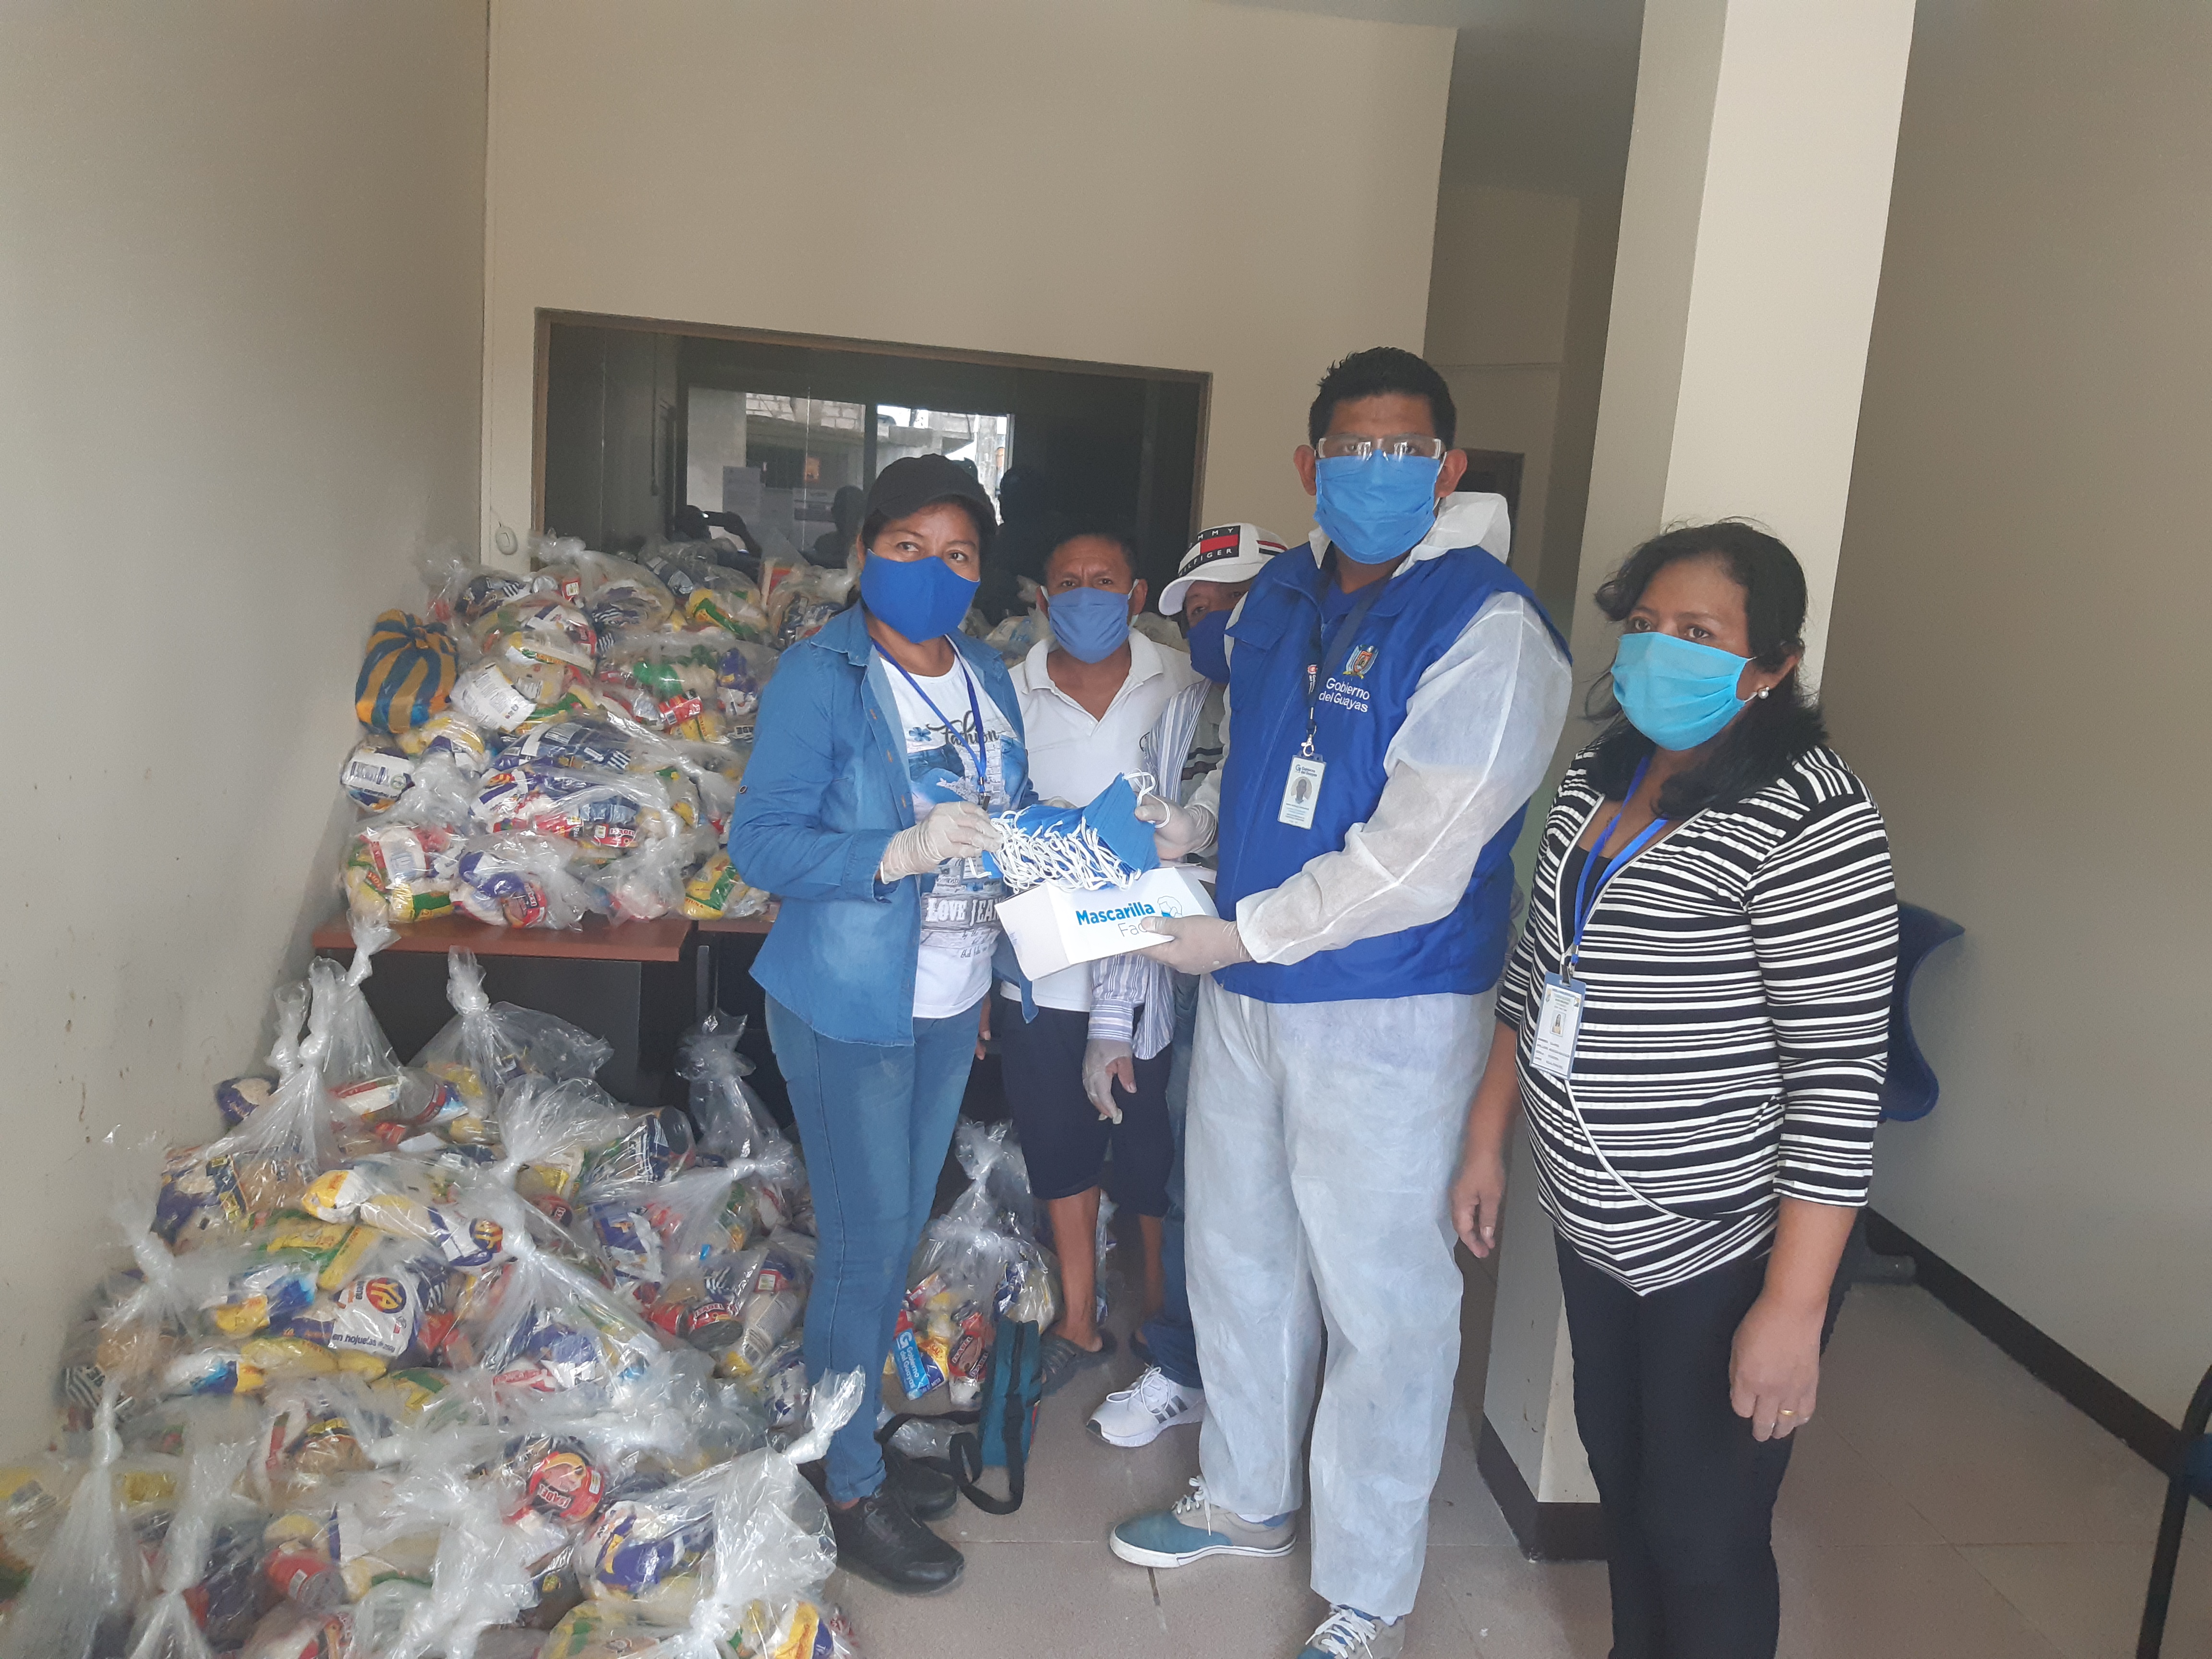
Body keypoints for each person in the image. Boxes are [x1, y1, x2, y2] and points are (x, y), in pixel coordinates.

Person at [1108, 347, 1573, 1659]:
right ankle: (1248, 1496)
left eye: (1403, 449)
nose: (1376, 472)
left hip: (1388, 1008)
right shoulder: (1284, 591)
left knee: (1382, 1298)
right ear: (1311, 466)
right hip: (1248, 987)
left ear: (1448, 466)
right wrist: (1188, 825)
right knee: (1238, 1254)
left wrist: (1243, 929)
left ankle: (1369, 1589)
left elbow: (1419, 857)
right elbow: (1261, 752)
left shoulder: (1489, 626)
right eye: (1351, 450)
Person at [1451, 523, 1899, 1659]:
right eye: (1646, 625)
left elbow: (1839, 1081)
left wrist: (1791, 1310)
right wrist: (1487, 1137)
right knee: (1628, 1486)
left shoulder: (1813, 814)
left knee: (1706, 1533)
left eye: (1699, 632)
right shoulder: (1602, 774)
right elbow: (1536, 969)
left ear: (1774, 664)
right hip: (1597, 1223)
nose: (1660, 652)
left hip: (1727, 1240)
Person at [726, 453, 1034, 1596]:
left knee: (891, 1238)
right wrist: (894, 851)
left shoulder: (986, 672)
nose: (931, 570)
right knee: (866, 1248)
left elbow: (1008, 817)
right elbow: (760, 843)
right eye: (907, 547)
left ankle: (845, 1430)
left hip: (949, 995)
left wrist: (1101, 832)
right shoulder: (823, 674)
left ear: (980, 573)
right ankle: (845, 1483)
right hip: (851, 1000)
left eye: (957, 554)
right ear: (863, 554)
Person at [1087, 521, 1285, 1450]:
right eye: (1198, 611)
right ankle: (1187, 1366)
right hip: (1199, 976)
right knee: (1195, 1179)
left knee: (1292, 1200)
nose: (1213, 625)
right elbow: (1153, 860)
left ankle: (1267, 1391)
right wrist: (1111, 1020)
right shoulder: (1192, 711)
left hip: (1310, 978)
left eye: (1232, 603)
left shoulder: (1322, 697)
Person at [994, 524, 1202, 1395]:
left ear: (1137, 594)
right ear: (1044, 601)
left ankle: (1159, 1308)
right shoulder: (1008, 693)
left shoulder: (1182, 684)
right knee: (1058, 1140)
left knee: (1152, 1142)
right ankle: (1078, 1317)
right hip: (1040, 967)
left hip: (1153, 959)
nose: (1086, 595)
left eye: (1104, 580)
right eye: (1068, 581)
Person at [807, 482, 865, 568]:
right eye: (841, 511)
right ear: (833, 512)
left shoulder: (866, 547)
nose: (845, 517)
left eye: (851, 511)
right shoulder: (824, 543)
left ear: (861, 514)